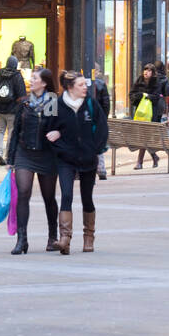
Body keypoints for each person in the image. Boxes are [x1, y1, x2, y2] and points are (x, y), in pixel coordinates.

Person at [46, 71, 108, 255]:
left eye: (84, 84)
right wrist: (58, 141)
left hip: (88, 158)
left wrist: (95, 149)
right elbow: (47, 128)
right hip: (65, 158)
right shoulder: (55, 103)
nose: (85, 88)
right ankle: (65, 238)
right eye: (80, 85)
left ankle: (89, 237)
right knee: (66, 195)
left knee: (87, 198)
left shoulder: (91, 104)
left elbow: (102, 128)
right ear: (70, 87)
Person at [6, 67, 60, 254]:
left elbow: (58, 125)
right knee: (23, 193)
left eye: (34, 78)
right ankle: (22, 240)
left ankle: (52, 237)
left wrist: (58, 132)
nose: (31, 81)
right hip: (25, 153)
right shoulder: (24, 103)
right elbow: (15, 131)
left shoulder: (53, 102)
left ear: (44, 83)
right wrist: (10, 158)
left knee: (48, 197)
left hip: (47, 155)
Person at [0, 55, 26, 166]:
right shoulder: (17, 76)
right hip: (12, 110)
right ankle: (8, 155)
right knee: (11, 131)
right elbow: (21, 94)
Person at [129, 64, 162, 169]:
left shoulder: (156, 82)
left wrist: (146, 96)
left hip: (151, 114)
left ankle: (139, 162)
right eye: (145, 69)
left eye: (149, 70)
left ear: (153, 73)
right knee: (144, 137)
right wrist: (138, 97)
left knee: (144, 136)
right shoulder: (139, 81)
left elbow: (157, 97)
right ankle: (154, 156)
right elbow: (131, 95)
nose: (146, 72)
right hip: (140, 113)